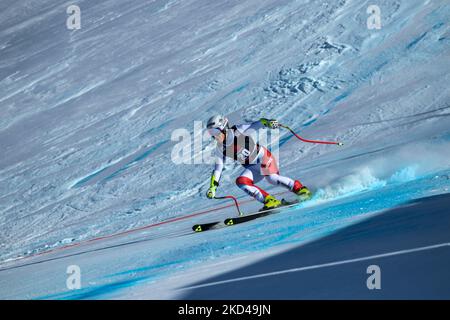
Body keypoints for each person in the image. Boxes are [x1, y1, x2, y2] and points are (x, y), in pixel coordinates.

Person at [205, 115, 311, 210]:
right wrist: (212, 187)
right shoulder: (220, 149)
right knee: (241, 181)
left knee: (272, 179)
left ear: (223, 128)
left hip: (263, 157)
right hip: (252, 167)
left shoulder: (238, 131)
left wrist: (268, 122)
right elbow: (217, 169)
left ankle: (301, 190)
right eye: (211, 133)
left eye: (215, 132)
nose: (214, 136)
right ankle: (269, 200)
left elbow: (257, 124)